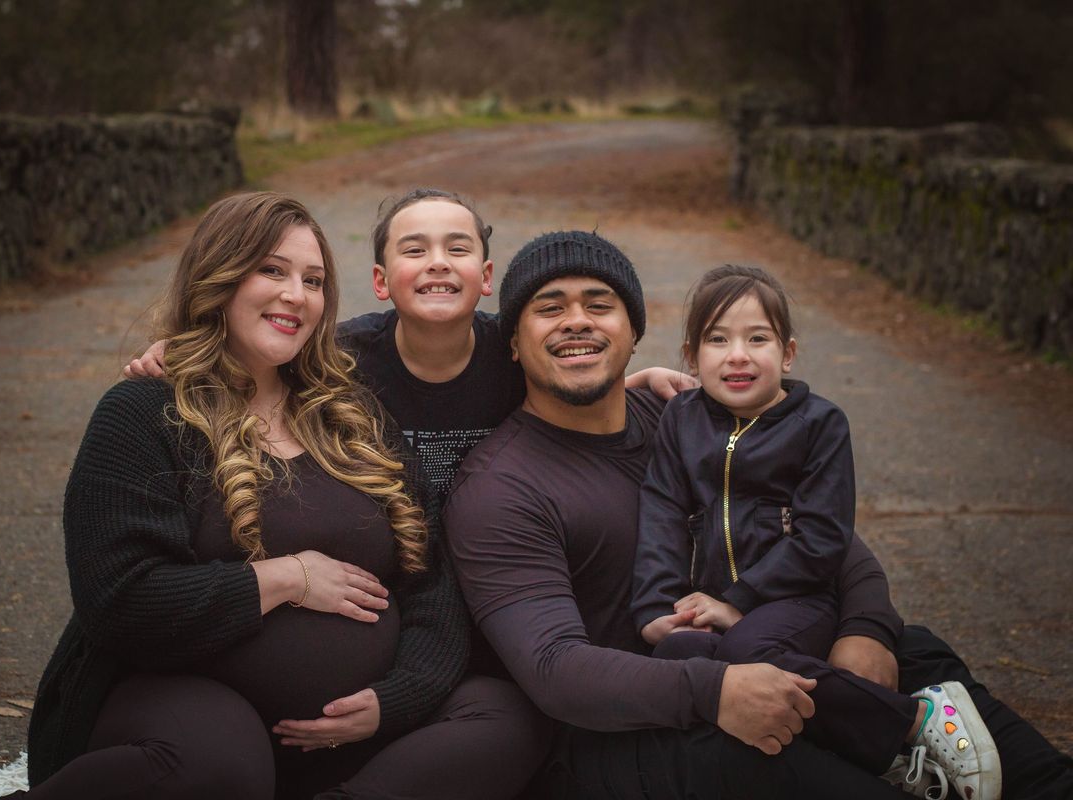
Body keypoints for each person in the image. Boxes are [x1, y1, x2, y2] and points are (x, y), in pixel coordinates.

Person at [444, 230, 1073, 799]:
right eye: (550, 308)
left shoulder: (684, 418)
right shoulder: (501, 489)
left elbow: (825, 533)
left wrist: (865, 629)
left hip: (779, 647)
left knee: (950, 686)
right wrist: (718, 691)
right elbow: (556, 669)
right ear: (514, 343)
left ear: (634, 331)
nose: (577, 321)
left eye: (599, 304)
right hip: (647, 724)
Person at [23, 192, 549, 800]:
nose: (296, 295)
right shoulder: (146, 411)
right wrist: (286, 579)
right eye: (272, 271)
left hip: (354, 727)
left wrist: (397, 698)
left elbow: (429, 577)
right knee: (222, 763)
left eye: (313, 280)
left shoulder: (348, 412)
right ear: (219, 277)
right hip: (189, 703)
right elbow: (120, 599)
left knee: (505, 718)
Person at [632, 264, 998, 798]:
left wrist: (738, 601)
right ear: (691, 356)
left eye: (758, 339)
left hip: (797, 598)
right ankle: (866, 753)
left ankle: (916, 719)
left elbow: (824, 537)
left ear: (787, 354)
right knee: (675, 656)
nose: (738, 355)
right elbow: (662, 510)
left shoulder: (820, 425)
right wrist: (654, 609)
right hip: (711, 602)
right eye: (718, 339)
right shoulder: (681, 419)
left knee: (749, 648)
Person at [126, 188, 695, 497]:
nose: (438, 263)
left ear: (486, 277)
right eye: (415, 250)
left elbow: (571, 373)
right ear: (381, 281)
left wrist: (632, 383)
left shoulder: (512, 349)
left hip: (499, 539)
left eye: (457, 249)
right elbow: (260, 360)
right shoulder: (340, 357)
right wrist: (182, 358)